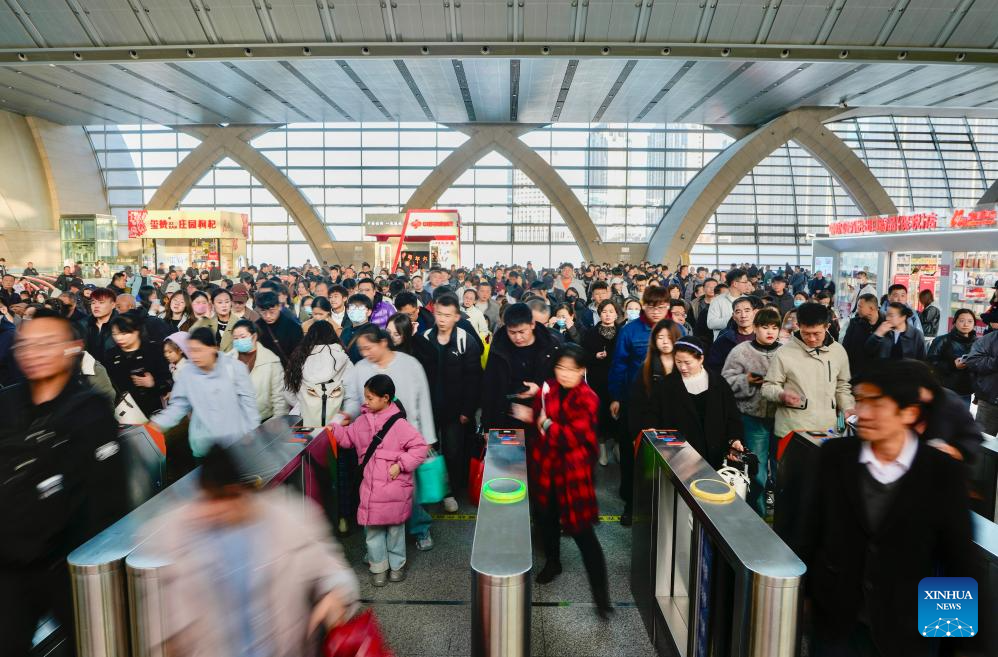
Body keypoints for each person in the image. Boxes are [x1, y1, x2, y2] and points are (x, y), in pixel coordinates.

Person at [800, 361, 974, 657]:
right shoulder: (835, 457)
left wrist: (956, 644)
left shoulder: (942, 472)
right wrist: (803, 599)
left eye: (876, 403)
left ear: (909, 412)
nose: (862, 413)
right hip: (837, 625)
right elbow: (808, 530)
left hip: (904, 629)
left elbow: (957, 560)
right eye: (859, 401)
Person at [140, 444, 359, 657]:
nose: (216, 510)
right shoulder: (176, 534)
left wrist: (335, 595)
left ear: (242, 492)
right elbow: (161, 622)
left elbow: (333, 571)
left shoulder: (290, 520)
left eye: (226, 498)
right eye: (209, 499)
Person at [0, 309, 128, 655]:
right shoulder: (7, 402)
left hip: (70, 565)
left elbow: (108, 496)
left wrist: (102, 565)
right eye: (26, 345)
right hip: (11, 565)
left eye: (46, 344)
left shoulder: (91, 408)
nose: (34, 353)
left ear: (73, 347)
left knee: (88, 645)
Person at [530, 345, 611, 619]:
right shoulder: (548, 389)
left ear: (582, 370)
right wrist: (540, 419)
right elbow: (537, 415)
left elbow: (570, 437)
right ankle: (553, 562)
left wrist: (547, 426)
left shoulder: (588, 398)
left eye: (571, 369)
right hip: (547, 468)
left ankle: (602, 597)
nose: (564, 374)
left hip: (574, 474)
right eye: (560, 368)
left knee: (583, 533)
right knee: (546, 519)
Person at [327, 374, 428, 586]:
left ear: (386, 398)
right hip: (371, 488)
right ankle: (378, 566)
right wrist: (336, 428)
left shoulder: (399, 424)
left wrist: (400, 464)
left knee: (394, 531)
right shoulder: (362, 421)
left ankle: (397, 565)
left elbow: (420, 448)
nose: (366, 401)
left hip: (393, 488)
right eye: (365, 396)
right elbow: (347, 440)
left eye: (370, 397)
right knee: (372, 532)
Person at [343, 326, 437, 551]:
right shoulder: (360, 369)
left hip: (406, 438)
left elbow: (423, 401)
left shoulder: (409, 364)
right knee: (377, 492)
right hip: (374, 444)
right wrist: (348, 414)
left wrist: (428, 437)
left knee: (409, 489)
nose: (365, 353)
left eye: (368, 347)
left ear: (383, 342)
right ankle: (380, 544)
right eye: (361, 349)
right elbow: (356, 400)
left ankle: (420, 528)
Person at [629, 336, 744, 469]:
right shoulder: (667, 385)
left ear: (701, 359)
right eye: (678, 362)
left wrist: (734, 439)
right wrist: (651, 429)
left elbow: (732, 417)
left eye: (687, 362)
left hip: (715, 455)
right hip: (679, 456)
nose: (682, 367)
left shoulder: (718, 383)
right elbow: (652, 412)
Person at [606, 286, 670, 525]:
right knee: (632, 455)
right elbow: (619, 365)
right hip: (634, 403)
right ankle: (631, 503)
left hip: (666, 406)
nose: (656, 311)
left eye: (661, 306)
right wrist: (616, 397)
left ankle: (660, 505)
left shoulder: (677, 330)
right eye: (652, 306)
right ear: (644, 305)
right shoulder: (630, 331)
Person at [150, 327, 261, 458]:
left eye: (199, 350)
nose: (194, 356)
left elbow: (249, 404)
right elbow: (179, 405)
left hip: (235, 443)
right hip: (204, 446)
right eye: (191, 351)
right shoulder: (187, 373)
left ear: (213, 348)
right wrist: (158, 424)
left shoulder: (234, 368)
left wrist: (252, 432)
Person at [419, 294, 483, 511]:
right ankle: (430, 490)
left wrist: (468, 409)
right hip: (429, 408)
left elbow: (475, 379)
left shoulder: (466, 341)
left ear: (457, 316)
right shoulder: (425, 338)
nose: (442, 319)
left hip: (456, 410)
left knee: (454, 452)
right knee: (429, 450)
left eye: (447, 315)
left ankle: (450, 492)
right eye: (438, 314)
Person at [762, 302, 855, 440]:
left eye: (817, 333)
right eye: (806, 333)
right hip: (792, 430)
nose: (811, 339)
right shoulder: (784, 352)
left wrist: (847, 408)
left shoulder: (838, 351)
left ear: (827, 327)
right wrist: (781, 395)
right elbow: (768, 387)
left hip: (828, 429)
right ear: (798, 326)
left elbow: (842, 387)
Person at [721, 307, 782, 517]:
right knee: (756, 471)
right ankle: (757, 515)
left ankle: (781, 516)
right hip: (751, 417)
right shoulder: (741, 351)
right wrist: (748, 379)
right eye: (765, 327)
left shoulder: (786, 352)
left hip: (781, 418)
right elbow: (725, 381)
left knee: (781, 468)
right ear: (755, 328)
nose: (770, 332)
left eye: (775, 327)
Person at [480, 302, 562, 435]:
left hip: (541, 419)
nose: (518, 338)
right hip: (507, 419)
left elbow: (561, 384)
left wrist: (539, 390)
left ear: (532, 324)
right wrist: (487, 428)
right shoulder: (499, 347)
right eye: (512, 332)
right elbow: (490, 387)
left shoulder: (550, 345)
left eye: (522, 332)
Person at [105, 311, 172, 419]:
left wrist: (154, 383)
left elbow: (168, 378)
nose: (119, 338)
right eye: (115, 334)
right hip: (127, 413)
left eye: (124, 333)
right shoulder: (111, 355)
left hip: (156, 410)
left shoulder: (154, 350)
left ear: (136, 331)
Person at [581, 299, 622, 467]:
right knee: (601, 412)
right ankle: (602, 448)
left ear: (617, 314)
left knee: (618, 413)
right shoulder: (591, 333)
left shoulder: (622, 331)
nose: (607, 314)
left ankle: (618, 446)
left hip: (617, 377)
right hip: (597, 378)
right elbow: (583, 355)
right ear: (599, 313)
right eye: (604, 311)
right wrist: (594, 357)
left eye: (611, 311)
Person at [228, 319, 288, 423]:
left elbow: (279, 398)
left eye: (242, 337)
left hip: (264, 421)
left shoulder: (271, 360)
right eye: (235, 338)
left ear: (254, 336)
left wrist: (277, 423)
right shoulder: (227, 360)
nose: (238, 341)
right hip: (235, 422)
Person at [927, 309, 978, 407]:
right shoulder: (942, 340)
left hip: (966, 391)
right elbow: (930, 364)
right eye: (962, 320)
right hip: (944, 390)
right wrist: (952, 365)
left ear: (974, 324)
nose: (966, 324)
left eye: (970, 321)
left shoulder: (978, 343)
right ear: (954, 322)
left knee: (961, 421)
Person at [705, 295, 758, 375]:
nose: (743, 315)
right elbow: (714, 368)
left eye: (747, 311)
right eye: (738, 312)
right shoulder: (723, 340)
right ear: (733, 316)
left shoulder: (763, 337)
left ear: (754, 313)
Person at [254, 290, 304, 366]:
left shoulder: (293, 327)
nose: (268, 316)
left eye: (272, 311)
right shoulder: (256, 327)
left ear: (279, 307)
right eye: (263, 312)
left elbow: (299, 354)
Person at [841, 293, 883, 380]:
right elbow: (845, 347)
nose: (857, 309)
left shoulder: (885, 325)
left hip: (878, 377)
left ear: (871, 308)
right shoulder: (854, 323)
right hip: (856, 375)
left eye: (860, 306)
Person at [965, 326, 998, 435]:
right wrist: (995, 362)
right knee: (983, 443)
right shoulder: (990, 339)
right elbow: (972, 360)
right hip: (990, 400)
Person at [707, 268, 751, 338]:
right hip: (724, 341)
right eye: (745, 282)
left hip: (746, 342)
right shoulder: (717, 300)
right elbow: (711, 323)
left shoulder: (749, 300)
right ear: (735, 284)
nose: (747, 284)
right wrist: (734, 319)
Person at [85, 287, 118, 366]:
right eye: (93, 303)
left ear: (113, 305)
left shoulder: (122, 325)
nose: (96, 306)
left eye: (101, 302)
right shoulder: (83, 324)